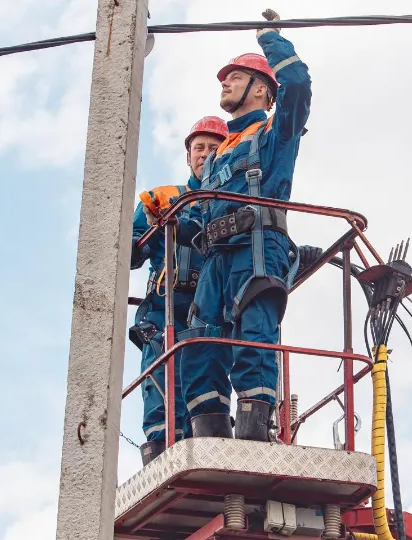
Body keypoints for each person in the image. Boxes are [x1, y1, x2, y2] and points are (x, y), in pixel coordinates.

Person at [174, 9, 312, 441]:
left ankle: (253, 433)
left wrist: (271, 39)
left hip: (256, 248)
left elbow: (299, 87)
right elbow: (195, 215)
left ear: (262, 90)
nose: (225, 82)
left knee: (254, 336)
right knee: (199, 347)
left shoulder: (274, 136)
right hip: (216, 261)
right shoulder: (215, 158)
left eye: (236, 76)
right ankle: (209, 436)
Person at [129, 116, 229, 464]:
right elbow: (132, 251)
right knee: (162, 386)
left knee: (208, 384)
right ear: (188, 156)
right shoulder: (166, 198)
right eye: (198, 148)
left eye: (214, 148)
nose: (205, 154)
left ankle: (209, 449)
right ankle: (160, 454)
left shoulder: (231, 203)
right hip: (165, 310)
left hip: (212, 312)